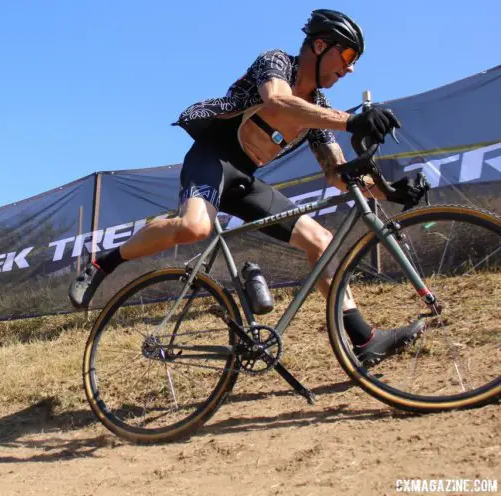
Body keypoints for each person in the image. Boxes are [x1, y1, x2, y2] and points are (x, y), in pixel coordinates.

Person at [69, 9, 427, 366]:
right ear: (319, 45)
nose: (350, 69)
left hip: (243, 179)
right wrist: (352, 121)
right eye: (347, 55)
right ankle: (103, 264)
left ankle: (364, 341)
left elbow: (337, 174)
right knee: (195, 227)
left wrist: (389, 191)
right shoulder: (276, 62)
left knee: (321, 241)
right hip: (211, 160)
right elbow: (277, 101)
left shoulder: (317, 110)